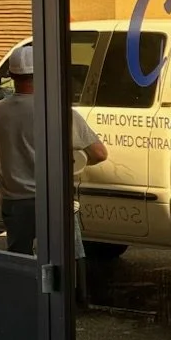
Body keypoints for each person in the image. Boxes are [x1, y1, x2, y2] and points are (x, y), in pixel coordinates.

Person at [0, 44, 40, 254]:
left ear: (10, 75)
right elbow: (99, 152)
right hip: (50, 199)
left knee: (20, 259)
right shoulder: (54, 109)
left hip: (14, 202)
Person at [72, 106, 108, 304]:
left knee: (20, 252)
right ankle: (79, 297)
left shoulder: (1, 112)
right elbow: (99, 153)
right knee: (73, 248)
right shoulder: (65, 114)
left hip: (14, 196)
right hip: (53, 194)